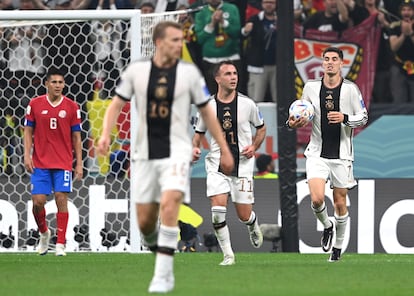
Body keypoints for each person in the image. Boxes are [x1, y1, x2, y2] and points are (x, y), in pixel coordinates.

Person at [96, 21, 233, 293]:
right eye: (173, 40)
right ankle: (155, 243)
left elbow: (207, 112)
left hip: (177, 150)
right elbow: (116, 104)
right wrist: (104, 135)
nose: (178, 44)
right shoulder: (137, 71)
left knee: (170, 204)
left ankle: (163, 274)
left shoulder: (190, 74)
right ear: (158, 42)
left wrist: (224, 148)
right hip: (144, 153)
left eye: (180, 39)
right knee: (146, 222)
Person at [287, 47, 368, 262]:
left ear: (342, 63)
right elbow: (303, 113)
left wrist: (344, 118)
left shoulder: (351, 89)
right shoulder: (311, 87)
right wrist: (292, 122)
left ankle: (338, 249)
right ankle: (327, 225)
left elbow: (363, 117)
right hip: (317, 152)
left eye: (334, 59)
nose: (330, 63)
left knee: (340, 203)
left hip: (342, 155)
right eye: (326, 59)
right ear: (322, 63)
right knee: (316, 199)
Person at [192, 60, 266, 266]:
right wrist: (195, 148)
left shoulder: (247, 104)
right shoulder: (207, 107)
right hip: (217, 164)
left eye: (235, 73)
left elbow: (261, 129)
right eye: (228, 74)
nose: (233, 77)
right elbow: (198, 134)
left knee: (243, 214)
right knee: (217, 211)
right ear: (217, 79)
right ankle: (228, 255)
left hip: (243, 166)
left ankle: (252, 223)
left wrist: (254, 146)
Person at [23, 67, 83, 257]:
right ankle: (44, 233)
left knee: (61, 199)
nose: (58, 85)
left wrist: (79, 163)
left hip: (63, 161)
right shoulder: (35, 104)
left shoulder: (72, 107)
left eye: (61, 82)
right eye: (54, 82)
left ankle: (60, 244)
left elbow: (76, 136)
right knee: (38, 202)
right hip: (40, 161)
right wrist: (26, 155)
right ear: (46, 84)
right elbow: (28, 131)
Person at [194, 0, 244, 94]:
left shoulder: (232, 8)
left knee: (234, 94)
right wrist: (212, 24)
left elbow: (236, 33)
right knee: (213, 96)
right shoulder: (201, 12)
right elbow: (199, 39)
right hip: (210, 61)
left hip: (231, 58)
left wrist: (223, 22)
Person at [242, 0, 278, 103]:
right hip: (258, 66)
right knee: (256, 99)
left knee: (279, 99)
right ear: (262, 4)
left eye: (271, 2)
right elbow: (242, 36)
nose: (269, 5)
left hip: (277, 67)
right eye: (266, 2)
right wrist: (245, 31)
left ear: (275, 5)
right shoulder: (255, 19)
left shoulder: (281, 20)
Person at [388, 0, 414, 103]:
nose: (406, 12)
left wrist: (411, 33)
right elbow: (393, 47)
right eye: (404, 10)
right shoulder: (394, 26)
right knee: (399, 100)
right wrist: (403, 35)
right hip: (399, 65)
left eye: (409, 10)